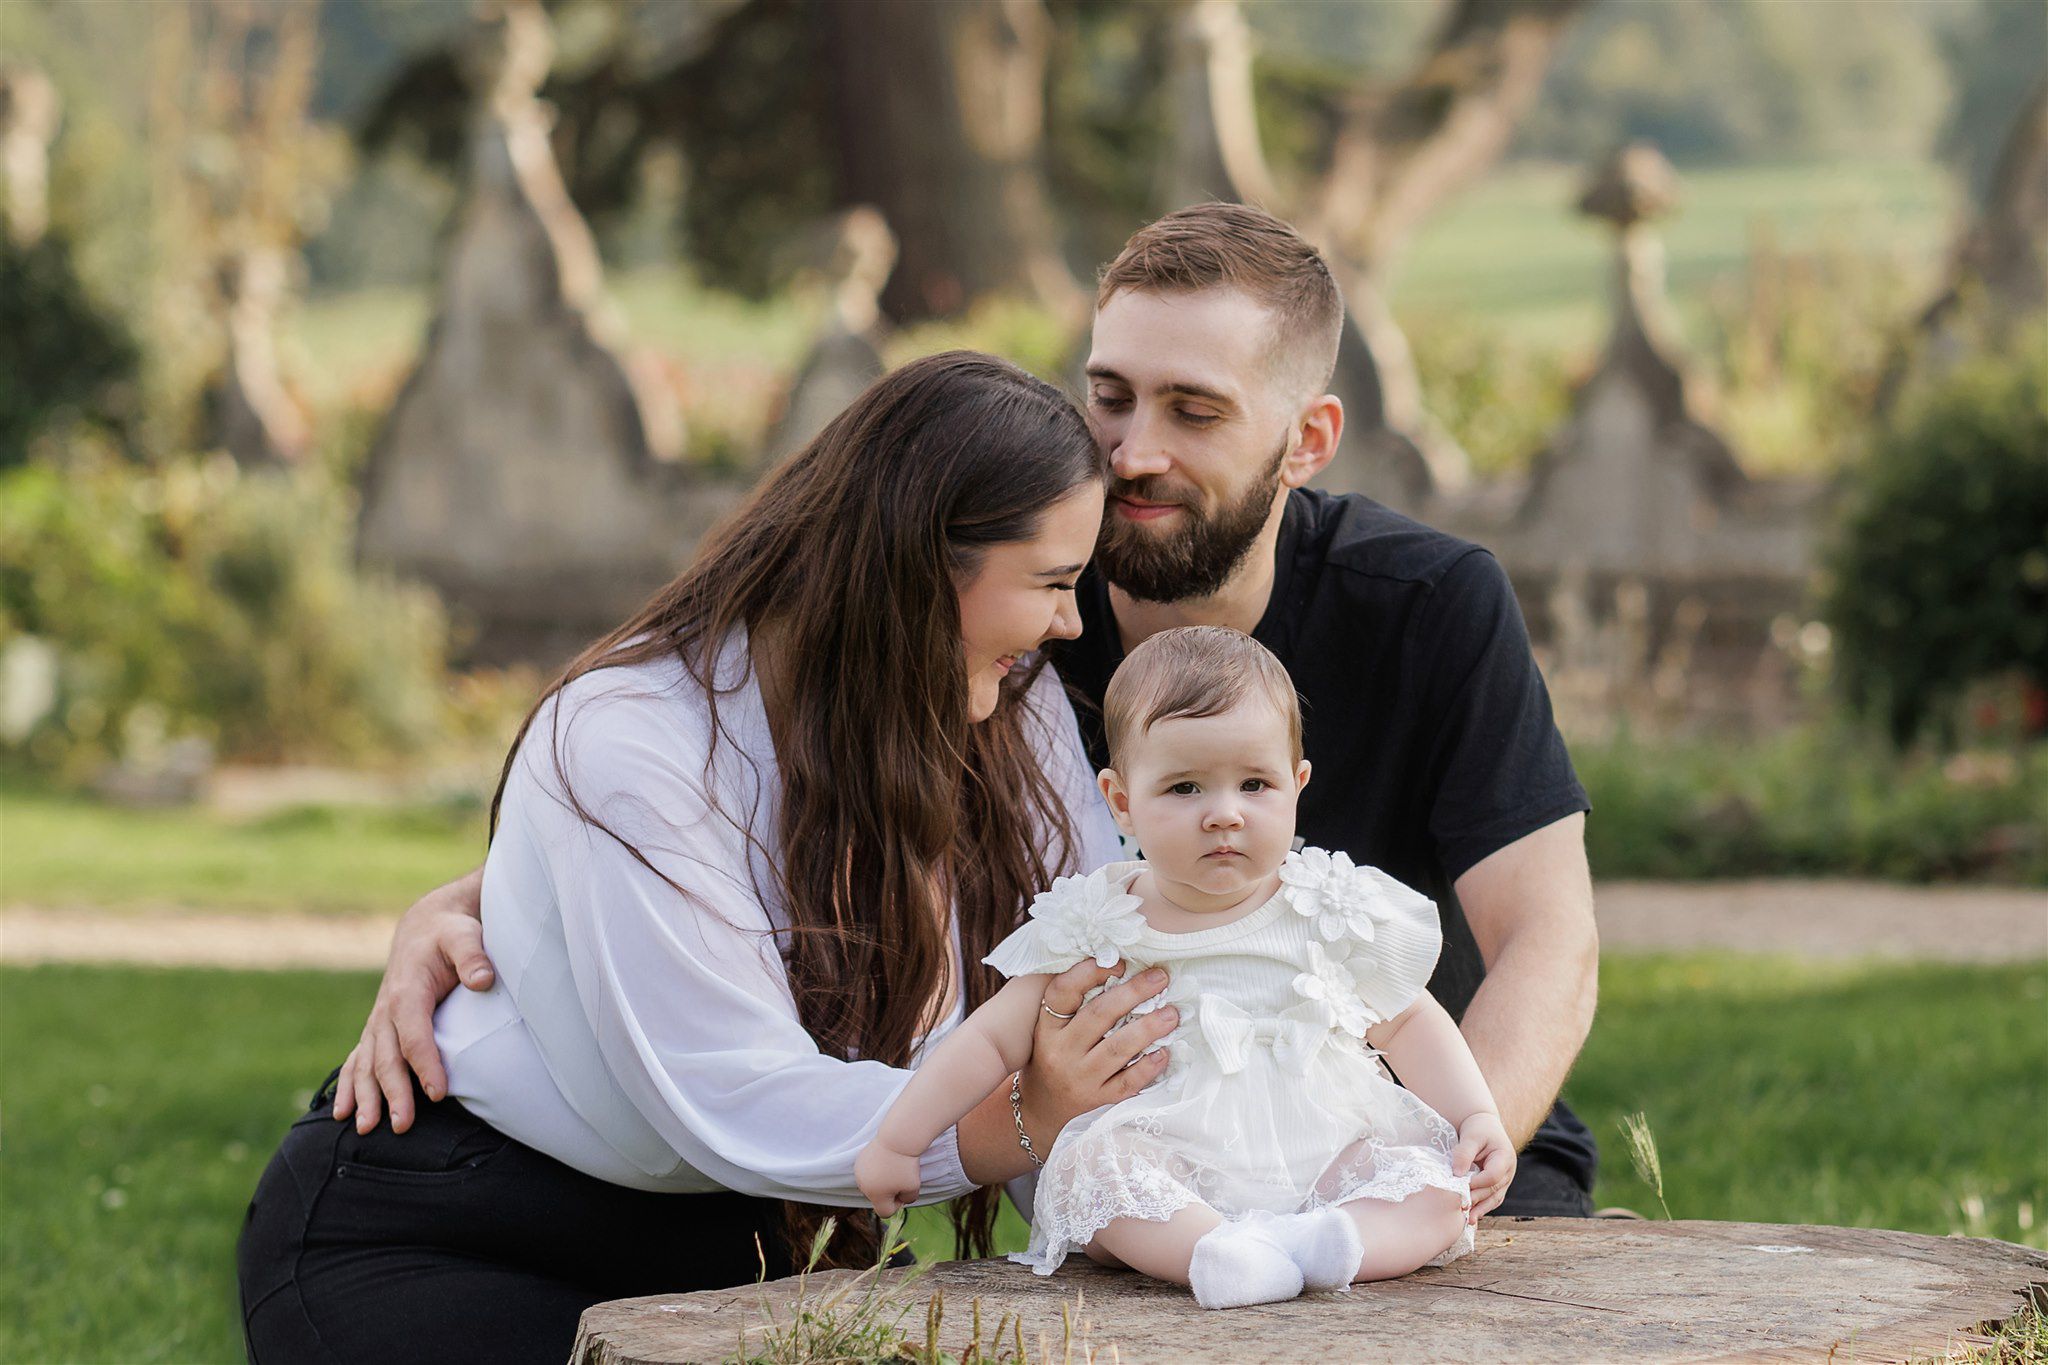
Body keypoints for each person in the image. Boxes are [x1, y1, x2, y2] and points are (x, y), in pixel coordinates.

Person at [343, 203, 1600, 1219]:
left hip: (1412, 1119)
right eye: (1110, 395)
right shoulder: (1008, 621)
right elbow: (737, 783)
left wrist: (1416, 1174)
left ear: (1308, 438)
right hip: (1145, 1155)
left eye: (1193, 410)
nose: (1131, 451)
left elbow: (1548, 941)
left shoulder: (1427, 603)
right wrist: (482, 905)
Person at [236, 352, 1179, 1363]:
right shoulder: (629, 737)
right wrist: (1025, 1115)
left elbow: (1094, 986)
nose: (1069, 621)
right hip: (456, 1230)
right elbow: (740, 1094)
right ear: (919, 568)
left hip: (744, 1241)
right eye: (1051, 582)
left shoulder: (1008, 708)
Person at [858, 627, 1514, 1311]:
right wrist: (901, 1139)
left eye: (1254, 784)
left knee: (1436, 1185)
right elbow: (993, 1039)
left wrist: (1475, 1114)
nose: (1223, 814)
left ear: (1297, 784)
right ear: (1121, 801)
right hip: (1169, 1164)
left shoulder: (1328, 906)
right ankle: (1218, 1254)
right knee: (1099, 1172)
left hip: (1326, 1155)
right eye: (1184, 787)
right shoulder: (1101, 921)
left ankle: (1337, 1242)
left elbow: (1409, 1021)